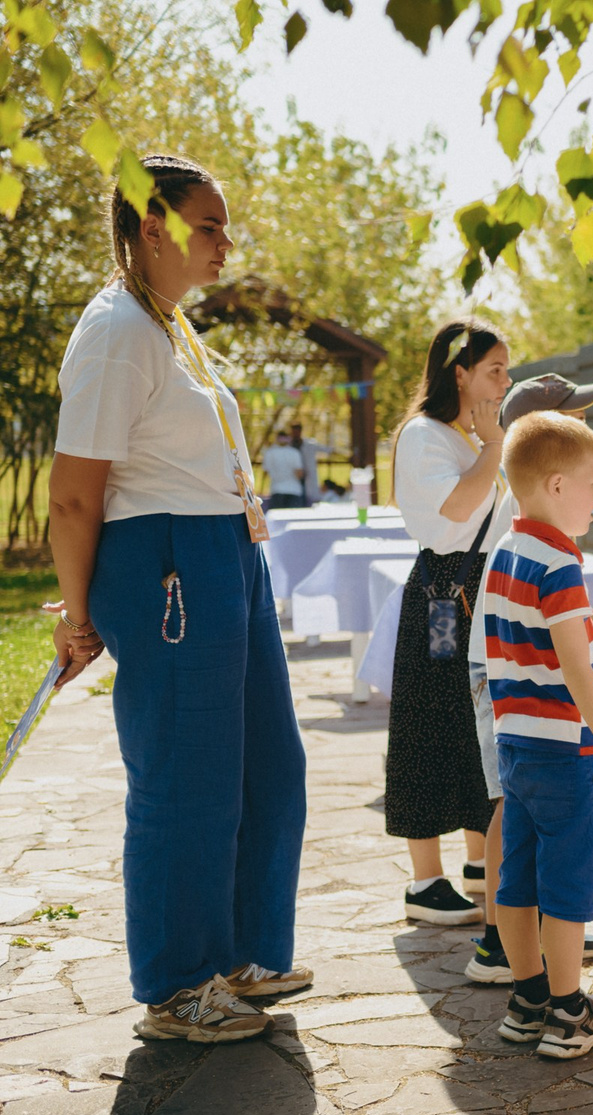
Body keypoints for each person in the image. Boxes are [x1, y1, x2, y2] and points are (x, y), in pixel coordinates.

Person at [49, 151, 308, 1041]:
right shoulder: (116, 329)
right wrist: (79, 614)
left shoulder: (168, 325)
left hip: (228, 553)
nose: (227, 243)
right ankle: (177, 982)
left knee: (269, 762)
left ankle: (240, 952)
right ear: (153, 227)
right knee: (185, 776)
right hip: (168, 561)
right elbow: (73, 494)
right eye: (211, 225)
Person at [462, 373, 593, 982]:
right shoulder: (560, 563)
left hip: (517, 746)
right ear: (558, 484)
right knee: (567, 889)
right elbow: (576, 671)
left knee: (516, 882)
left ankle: (528, 997)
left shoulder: (505, 552)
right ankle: (567, 1007)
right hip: (569, 750)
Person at [387, 318, 516, 926]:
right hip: (445, 595)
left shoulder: (468, 436)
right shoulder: (425, 435)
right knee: (430, 723)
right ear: (459, 374)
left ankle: (477, 862)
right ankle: (424, 881)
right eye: (495, 369)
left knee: (473, 726)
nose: (505, 381)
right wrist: (494, 448)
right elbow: (457, 510)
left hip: (475, 591)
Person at [289, 421, 332, 507]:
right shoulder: (288, 446)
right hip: (294, 477)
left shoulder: (309, 444)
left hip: (308, 477)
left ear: (300, 431)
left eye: (297, 431)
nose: (295, 434)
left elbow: (327, 449)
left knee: (309, 499)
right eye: (294, 432)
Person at [260, 430, 306, 509]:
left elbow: (265, 473)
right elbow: (299, 473)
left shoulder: (269, 452)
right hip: (294, 490)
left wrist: (261, 490)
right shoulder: (294, 452)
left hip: (276, 490)